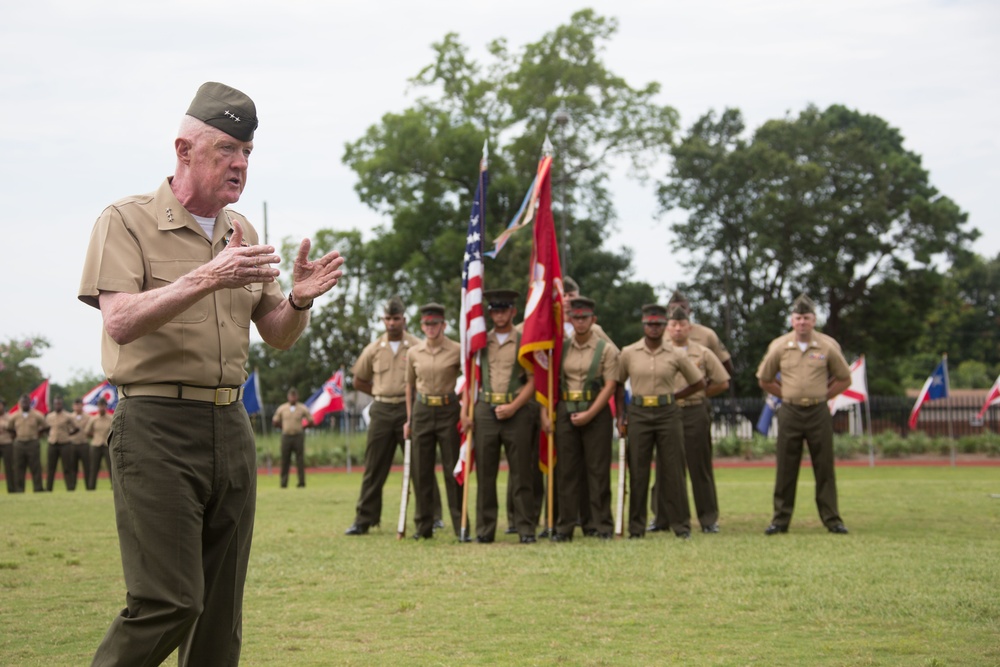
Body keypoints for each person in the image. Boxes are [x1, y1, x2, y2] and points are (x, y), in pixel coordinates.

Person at [78, 81, 345, 665]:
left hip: (230, 425)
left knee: (220, 617)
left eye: (248, 152)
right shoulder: (125, 222)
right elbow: (120, 321)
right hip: (156, 426)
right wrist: (206, 277)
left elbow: (273, 331)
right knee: (169, 600)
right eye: (227, 149)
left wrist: (297, 300)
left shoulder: (240, 232)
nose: (241, 164)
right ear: (184, 150)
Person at [345, 297, 444, 535]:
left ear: (404, 320)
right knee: (374, 466)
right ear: (383, 320)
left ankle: (433, 515)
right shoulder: (374, 349)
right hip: (381, 410)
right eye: (388, 319)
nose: (391, 323)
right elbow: (358, 380)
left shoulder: (418, 346)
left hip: (410, 410)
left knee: (421, 463)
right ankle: (364, 519)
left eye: (396, 318)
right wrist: (379, 392)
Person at [756, 294, 852, 536]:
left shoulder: (827, 346)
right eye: (798, 318)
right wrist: (786, 393)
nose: (802, 323)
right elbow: (764, 378)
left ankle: (832, 519)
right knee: (786, 467)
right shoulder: (779, 346)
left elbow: (844, 378)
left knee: (824, 467)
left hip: (818, 410)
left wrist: (824, 395)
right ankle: (780, 520)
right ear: (792, 320)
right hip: (789, 410)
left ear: (814, 320)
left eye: (806, 318)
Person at [616, 304, 705, 539]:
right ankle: (636, 527)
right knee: (638, 471)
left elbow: (698, 382)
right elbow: (617, 383)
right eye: (649, 324)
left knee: (673, 471)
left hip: (668, 414)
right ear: (643, 325)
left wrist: (675, 397)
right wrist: (620, 416)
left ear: (664, 326)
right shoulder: (629, 352)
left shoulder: (676, 354)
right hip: (639, 412)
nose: (653, 328)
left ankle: (681, 525)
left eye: (658, 324)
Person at [542, 296, 619, 542]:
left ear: (593, 320)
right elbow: (551, 382)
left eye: (585, 318)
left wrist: (589, 414)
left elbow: (609, 386)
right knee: (566, 472)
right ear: (570, 319)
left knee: (597, 472)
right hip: (566, 410)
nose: (580, 322)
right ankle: (565, 527)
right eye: (576, 317)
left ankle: (601, 524)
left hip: (595, 411)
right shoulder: (561, 347)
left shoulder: (605, 349)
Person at [466, 289, 536, 544]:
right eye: (495, 310)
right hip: (485, 411)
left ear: (513, 312)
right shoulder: (480, 340)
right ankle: (485, 530)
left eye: (504, 310)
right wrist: (467, 411)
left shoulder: (525, 340)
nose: (499, 315)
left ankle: (526, 529)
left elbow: (533, 380)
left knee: (521, 474)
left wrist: (514, 406)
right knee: (485, 473)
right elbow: (470, 377)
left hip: (516, 410)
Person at [665, 305, 730, 533]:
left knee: (699, 465)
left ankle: (708, 518)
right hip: (666, 413)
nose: (678, 329)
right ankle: (663, 518)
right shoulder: (660, 353)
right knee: (667, 466)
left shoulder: (702, 352)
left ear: (689, 327)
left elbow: (722, 382)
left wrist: (700, 394)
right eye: (673, 325)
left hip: (694, 411)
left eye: (682, 325)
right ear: (668, 328)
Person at [404, 303, 466, 540]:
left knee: (453, 469)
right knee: (421, 471)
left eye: (435, 324)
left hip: (448, 410)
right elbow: (409, 387)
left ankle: (461, 524)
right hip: (422, 410)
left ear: (444, 325)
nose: (431, 328)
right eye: (427, 324)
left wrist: (462, 406)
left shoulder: (457, 349)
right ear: (422, 326)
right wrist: (409, 419)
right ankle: (423, 525)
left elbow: (469, 379)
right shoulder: (414, 352)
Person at [667, 290, 735, 376]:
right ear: (668, 312)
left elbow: (726, 366)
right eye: (673, 308)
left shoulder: (707, 334)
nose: (678, 311)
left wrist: (706, 387)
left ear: (690, 311)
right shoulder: (660, 336)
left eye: (682, 307)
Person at [272, 388, 312, 488]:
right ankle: (283, 483)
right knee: (285, 460)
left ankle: (301, 482)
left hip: (298, 436)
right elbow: (275, 421)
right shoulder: (282, 408)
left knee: (300, 460)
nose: (293, 398)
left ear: (297, 397)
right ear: (288, 397)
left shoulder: (302, 408)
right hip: (286, 436)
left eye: (294, 396)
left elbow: (311, 420)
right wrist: (282, 427)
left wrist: (303, 427)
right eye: (291, 396)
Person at [8, 393, 48, 493]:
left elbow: (45, 427)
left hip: (32, 443)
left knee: (35, 467)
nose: (25, 404)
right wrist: (15, 436)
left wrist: (38, 435)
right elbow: (9, 428)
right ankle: (19, 489)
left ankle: (38, 488)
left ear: (30, 403)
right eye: (23, 402)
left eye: (26, 402)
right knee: (18, 467)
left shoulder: (37, 415)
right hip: (19, 443)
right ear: (19, 403)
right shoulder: (14, 416)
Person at [45, 397, 78, 491]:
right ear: (53, 404)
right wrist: (50, 435)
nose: (57, 405)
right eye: (56, 404)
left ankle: (70, 487)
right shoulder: (49, 416)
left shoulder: (68, 416)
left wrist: (68, 435)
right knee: (51, 467)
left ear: (62, 404)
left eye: (59, 404)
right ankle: (48, 488)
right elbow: (46, 428)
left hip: (65, 444)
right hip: (52, 443)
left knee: (67, 467)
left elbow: (76, 428)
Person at [85, 397, 113, 490]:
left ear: (106, 407)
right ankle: (91, 487)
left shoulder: (111, 418)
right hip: (96, 445)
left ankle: (114, 486)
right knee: (94, 467)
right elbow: (87, 431)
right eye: (100, 406)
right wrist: (95, 436)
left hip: (107, 445)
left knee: (111, 467)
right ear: (97, 407)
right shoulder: (93, 419)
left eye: (103, 406)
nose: (101, 408)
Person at [69, 398, 93, 491]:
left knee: (87, 467)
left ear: (82, 406)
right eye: (76, 405)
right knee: (72, 467)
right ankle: (72, 487)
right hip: (73, 444)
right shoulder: (70, 417)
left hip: (84, 444)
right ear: (73, 406)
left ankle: (89, 487)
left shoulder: (88, 417)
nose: (77, 407)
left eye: (79, 405)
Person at [0, 399, 15, 493]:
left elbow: (14, 431)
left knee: (9, 467)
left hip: (7, 443)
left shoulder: (10, 417)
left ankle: (12, 489)